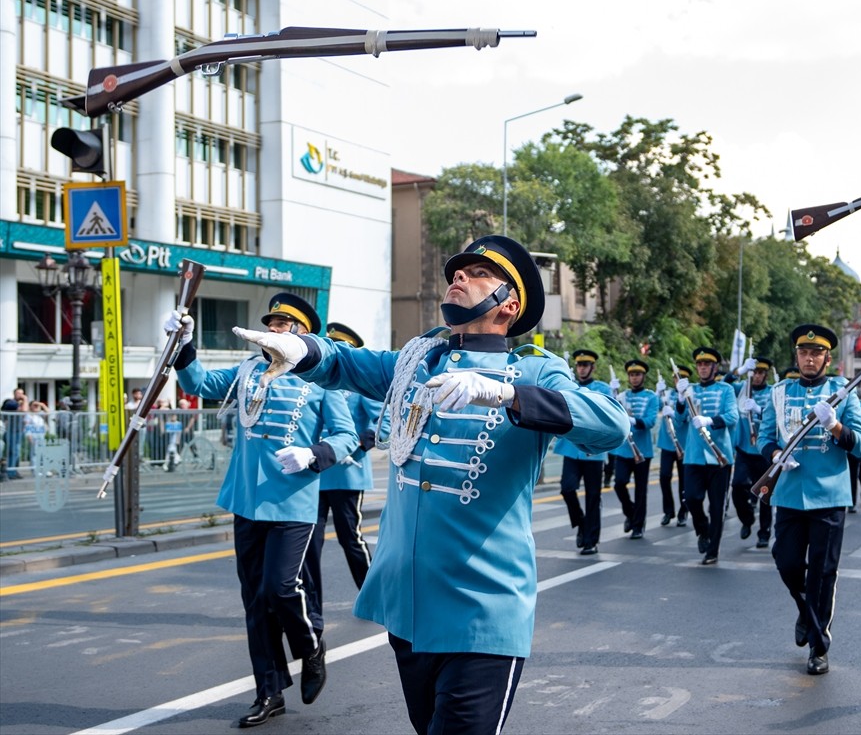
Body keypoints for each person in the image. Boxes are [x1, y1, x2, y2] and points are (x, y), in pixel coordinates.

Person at [237, 234, 628, 735]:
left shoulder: (532, 369)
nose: (458, 278)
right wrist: (301, 347)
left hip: (481, 612)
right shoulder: (415, 363)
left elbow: (610, 424)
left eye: (476, 273)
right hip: (409, 609)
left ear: (509, 304)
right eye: (454, 274)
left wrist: (505, 392)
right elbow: (344, 363)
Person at [165, 291, 358, 728]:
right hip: (246, 499)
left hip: (294, 500)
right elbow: (197, 385)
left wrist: (315, 454)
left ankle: (311, 648)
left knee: (281, 588)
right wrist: (184, 344)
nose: (273, 330)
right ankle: (268, 691)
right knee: (255, 601)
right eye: (270, 324)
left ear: (303, 333)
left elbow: (347, 435)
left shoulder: (321, 379)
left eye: (283, 325)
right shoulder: (249, 370)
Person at [759, 324, 861, 675]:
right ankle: (806, 612)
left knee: (823, 573)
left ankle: (819, 646)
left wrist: (836, 426)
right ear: (797, 356)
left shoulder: (844, 393)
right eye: (804, 352)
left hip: (829, 495)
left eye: (816, 353)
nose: (809, 358)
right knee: (787, 563)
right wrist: (775, 454)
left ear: (827, 358)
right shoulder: (779, 393)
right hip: (789, 493)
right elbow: (764, 437)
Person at [304, 321, 388, 606]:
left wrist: (364, 441)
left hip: (347, 474)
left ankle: (371, 596)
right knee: (309, 543)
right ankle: (310, 603)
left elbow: (385, 421)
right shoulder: (315, 384)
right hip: (315, 472)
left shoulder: (360, 387)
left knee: (350, 538)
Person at [677, 346, 738, 565]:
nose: (702, 368)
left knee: (716, 505)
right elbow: (679, 420)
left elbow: (732, 415)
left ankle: (713, 550)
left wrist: (710, 421)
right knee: (692, 498)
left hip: (719, 455)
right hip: (694, 456)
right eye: (699, 364)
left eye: (706, 364)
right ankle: (702, 530)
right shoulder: (689, 389)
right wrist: (680, 400)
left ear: (714, 367)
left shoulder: (725, 390)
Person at [554, 349, 614, 555]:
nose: (582, 369)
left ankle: (591, 540)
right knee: (567, 489)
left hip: (594, 451)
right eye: (579, 365)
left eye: (585, 365)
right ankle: (581, 523)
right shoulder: (569, 386)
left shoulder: (602, 389)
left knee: (593, 496)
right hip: (571, 448)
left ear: (592, 367)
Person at [726, 355, 775, 547]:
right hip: (745, 449)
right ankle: (747, 519)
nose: (756, 376)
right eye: (754, 372)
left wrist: (758, 410)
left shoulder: (773, 392)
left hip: (764, 450)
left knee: (764, 493)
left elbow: (777, 416)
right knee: (738, 487)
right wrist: (740, 370)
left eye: (760, 373)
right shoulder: (742, 389)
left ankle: (764, 531)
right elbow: (726, 383)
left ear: (766, 375)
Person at [609, 359, 660, 539]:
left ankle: (638, 525)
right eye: (631, 375)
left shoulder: (651, 397)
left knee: (640, 490)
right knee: (619, 484)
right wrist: (611, 394)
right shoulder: (621, 396)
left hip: (642, 450)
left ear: (643, 376)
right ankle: (631, 513)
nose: (634, 378)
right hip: (623, 449)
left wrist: (633, 421)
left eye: (637, 374)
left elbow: (651, 421)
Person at [655, 367, 691, 527]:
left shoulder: (689, 395)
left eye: (681, 378)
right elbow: (655, 406)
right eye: (676, 378)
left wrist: (674, 413)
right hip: (667, 442)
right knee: (664, 477)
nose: (678, 381)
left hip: (683, 443)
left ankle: (683, 511)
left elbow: (683, 418)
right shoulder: (667, 394)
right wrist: (658, 393)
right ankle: (668, 511)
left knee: (684, 479)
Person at [2, 388, 27, 479]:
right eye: (19, 393)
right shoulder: (10, 402)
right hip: (11, 432)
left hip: (18, 431)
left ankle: (14, 470)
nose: (21, 395)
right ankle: (10, 472)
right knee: (12, 452)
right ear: (14, 394)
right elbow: (24, 411)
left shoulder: (20, 404)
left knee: (17, 453)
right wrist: (25, 400)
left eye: (22, 393)